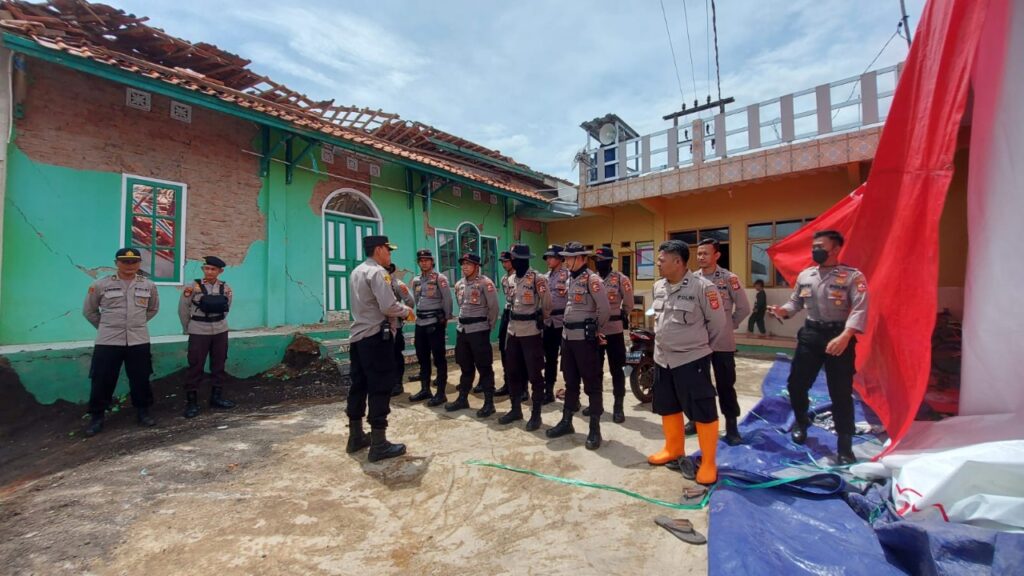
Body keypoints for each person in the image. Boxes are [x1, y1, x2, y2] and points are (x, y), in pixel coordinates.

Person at [768, 230, 867, 465]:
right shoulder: (806, 275)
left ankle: (845, 446)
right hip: (811, 335)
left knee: (840, 392)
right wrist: (783, 311)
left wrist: (846, 336)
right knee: (796, 384)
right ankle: (802, 421)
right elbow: (796, 302)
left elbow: (861, 308)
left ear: (835, 249)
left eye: (820, 246)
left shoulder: (852, 276)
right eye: (813, 247)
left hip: (839, 336)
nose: (815, 251)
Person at [647, 240, 727, 485]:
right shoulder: (658, 286)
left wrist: (698, 348)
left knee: (702, 410)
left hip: (692, 360)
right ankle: (673, 449)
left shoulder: (704, 288)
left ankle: (709, 463)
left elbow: (717, 324)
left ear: (678, 262)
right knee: (668, 406)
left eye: (662, 259)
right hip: (663, 359)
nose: (658, 263)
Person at [345, 235, 414, 462]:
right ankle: (379, 443)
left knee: (359, 385)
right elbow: (388, 305)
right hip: (376, 337)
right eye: (388, 250)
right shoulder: (378, 273)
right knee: (380, 386)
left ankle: (355, 436)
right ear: (378, 249)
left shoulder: (356, 272)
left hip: (358, 337)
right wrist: (406, 311)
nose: (390, 254)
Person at [81, 248, 160, 436]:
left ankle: (143, 412)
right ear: (117, 263)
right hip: (108, 341)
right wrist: (107, 327)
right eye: (125, 262)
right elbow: (89, 311)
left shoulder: (148, 285)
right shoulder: (100, 284)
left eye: (134, 262)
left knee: (140, 378)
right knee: (102, 379)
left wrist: (135, 324)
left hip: (138, 340)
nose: (130, 265)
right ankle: (97, 417)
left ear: (139, 264)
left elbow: (152, 309)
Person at [546, 242, 610, 449]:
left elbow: (605, 309)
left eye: (569, 258)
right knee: (570, 382)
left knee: (592, 384)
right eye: (564, 258)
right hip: (567, 338)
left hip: (584, 339)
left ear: (581, 258)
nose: (566, 261)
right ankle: (567, 422)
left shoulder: (592, 280)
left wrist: (594, 329)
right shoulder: (571, 279)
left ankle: (594, 429)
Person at [693, 238, 751, 445]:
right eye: (698, 253)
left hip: (723, 343)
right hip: (698, 343)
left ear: (717, 255)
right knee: (698, 385)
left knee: (726, 385)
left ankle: (732, 426)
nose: (700, 257)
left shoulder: (729, 278)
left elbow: (744, 308)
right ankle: (696, 420)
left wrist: (729, 326)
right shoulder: (691, 279)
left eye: (705, 253)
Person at [178, 255, 236, 419]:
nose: (209, 271)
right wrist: (187, 328)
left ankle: (216, 397)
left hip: (220, 329)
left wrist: (218, 322)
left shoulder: (225, 288)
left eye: (213, 269)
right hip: (198, 330)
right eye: (206, 268)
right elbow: (183, 309)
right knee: (195, 365)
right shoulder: (192, 287)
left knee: (219, 363)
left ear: (220, 271)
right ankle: (192, 402)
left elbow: (227, 307)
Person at [501, 244, 551, 429]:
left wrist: (540, 321)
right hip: (513, 331)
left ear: (524, 259)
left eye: (516, 258)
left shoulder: (538, 278)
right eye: (512, 258)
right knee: (512, 372)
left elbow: (547, 304)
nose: (514, 261)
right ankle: (515, 409)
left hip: (531, 332)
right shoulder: (510, 279)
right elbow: (509, 302)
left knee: (535, 375)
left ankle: (536, 414)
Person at [584, 246, 633, 423]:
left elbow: (628, 304)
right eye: (597, 260)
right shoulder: (590, 279)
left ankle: (618, 406)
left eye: (603, 260)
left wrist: (621, 316)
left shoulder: (621, 279)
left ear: (610, 261)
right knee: (594, 369)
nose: (600, 263)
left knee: (617, 370)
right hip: (595, 331)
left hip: (614, 331)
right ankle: (596, 404)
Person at [447, 253, 500, 417]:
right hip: (462, 330)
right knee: (465, 366)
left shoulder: (486, 283)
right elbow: (460, 304)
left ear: (477, 266)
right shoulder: (459, 284)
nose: (464, 267)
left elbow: (494, 308)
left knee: (484, 367)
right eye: (463, 264)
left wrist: (487, 328)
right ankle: (463, 398)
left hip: (479, 330)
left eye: (468, 264)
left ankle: (489, 403)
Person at [408, 249, 453, 405]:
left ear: (432, 261)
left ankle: (441, 393)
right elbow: (416, 298)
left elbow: (447, 299)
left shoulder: (440, 279)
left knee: (439, 358)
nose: (424, 262)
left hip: (435, 323)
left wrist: (446, 318)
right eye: (421, 260)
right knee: (422, 357)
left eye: (427, 260)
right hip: (420, 323)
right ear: (418, 262)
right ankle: (425, 389)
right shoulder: (416, 281)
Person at [541, 244, 569, 405]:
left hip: (563, 323)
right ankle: (548, 390)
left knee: (567, 360)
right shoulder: (544, 277)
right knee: (549, 359)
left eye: (551, 257)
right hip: (549, 323)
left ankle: (570, 390)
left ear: (560, 259)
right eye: (547, 257)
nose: (548, 260)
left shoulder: (568, 276)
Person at [387, 263, 416, 397]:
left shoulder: (397, 284)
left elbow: (409, 302)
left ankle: (397, 384)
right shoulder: (376, 284)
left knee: (395, 356)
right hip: (378, 326)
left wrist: (401, 315)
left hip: (395, 327)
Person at [491, 251, 516, 397]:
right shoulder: (504, 279)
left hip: (519, 315)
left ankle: (523, 388)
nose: (505, 264)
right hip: (507, 314)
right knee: (504, 349)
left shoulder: (521, 277)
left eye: (507, 261)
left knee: (518, 351)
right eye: (503, 262)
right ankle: (508, 383)